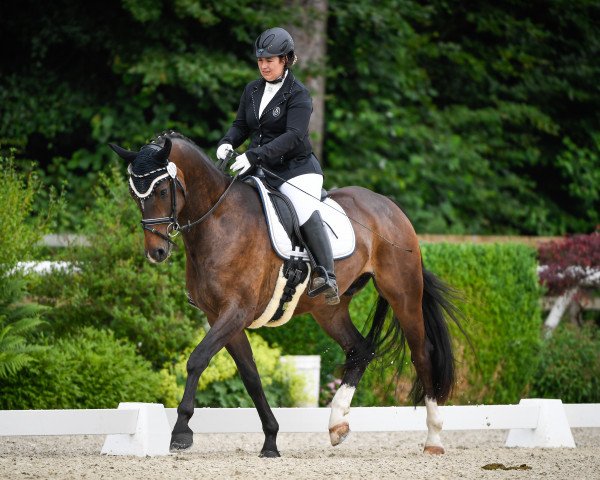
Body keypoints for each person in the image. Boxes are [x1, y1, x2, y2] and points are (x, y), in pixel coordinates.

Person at [216, 27, 339, 305]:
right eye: (260, 61)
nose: (264, 66)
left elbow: (293, 136)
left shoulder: (299, 94)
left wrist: (253, 155)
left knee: (301, 205)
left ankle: (326, 274)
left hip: (296, 169)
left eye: (269, 60)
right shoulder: (252, 90)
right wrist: (228, 142)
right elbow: (241, 125)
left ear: (285, 59)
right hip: (259, 166)